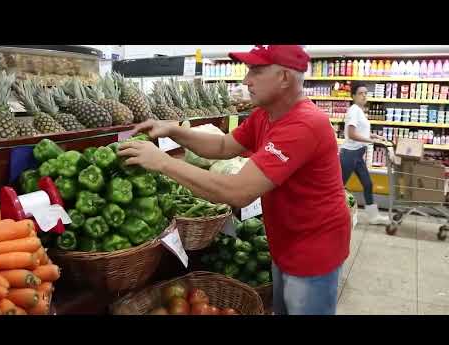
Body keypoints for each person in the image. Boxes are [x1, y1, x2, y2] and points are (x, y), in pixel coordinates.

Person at [118, 45, 351, 315]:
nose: (245, 80)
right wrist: (174, 130)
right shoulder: (266, 114)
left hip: (314, 248)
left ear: (285, 77)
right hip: (287, 240)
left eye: (256, 70)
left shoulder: (304, 124)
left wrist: (162, 162)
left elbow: (238, 192)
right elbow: (222, 146)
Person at [339, 82, 389, 225]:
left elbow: (361, 131)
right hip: (349, 155)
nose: (364, 96)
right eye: (360, 93)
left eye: (365, 93)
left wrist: (375, 136)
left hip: (357, 155)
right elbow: (351, 134)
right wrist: (369, 140)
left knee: (367, 184)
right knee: (337, 187)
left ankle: (373, 217)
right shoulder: (354, 110)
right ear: (353, 96)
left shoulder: (359, 111)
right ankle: (324, 214)